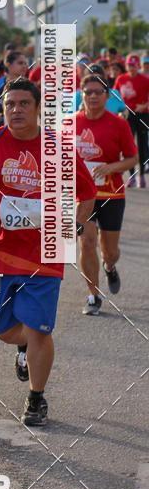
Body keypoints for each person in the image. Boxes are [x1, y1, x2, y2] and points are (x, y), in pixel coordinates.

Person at [0, 79, 96, 426]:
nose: (16, 110)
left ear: (38, 108)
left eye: (24, 104)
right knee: (4, 329)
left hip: (46, 253)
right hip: (0, 253)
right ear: (1, 108)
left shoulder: (59, 147)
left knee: (39, 329)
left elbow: (87, 192)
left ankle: (36, 398)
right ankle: (24, 347)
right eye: (10, 104)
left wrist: (75, 226)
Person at [76, 75, 137, 315]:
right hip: (82, 197)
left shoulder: (119, 124)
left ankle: (109, 267)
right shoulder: (70, 124)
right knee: (87, 242)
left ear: (107, 95)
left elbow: (133, 159)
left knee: (111, 252)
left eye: (97, 92)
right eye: (87, 91)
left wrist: (110, 168)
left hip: (112, 194)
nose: (92, 96)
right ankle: (93, 295)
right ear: (81, 95)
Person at [113, 54, 149, 188]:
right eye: (129, 66)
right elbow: (114, 96)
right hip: (128, 116)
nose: (132, 69)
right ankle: (132, 177)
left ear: (137, 66)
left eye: (134, 66)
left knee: (142, 145)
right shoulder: (121, 79)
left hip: (142, 115)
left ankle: (141, 176)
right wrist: (120, 110)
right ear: (126, 66)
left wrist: (144, 105)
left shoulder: (144, 79)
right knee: (129, 147)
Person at [0, 51, 29, 126]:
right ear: (8, 65)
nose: (24, 66)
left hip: (24, 131)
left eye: (25, 63)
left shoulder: (30, 86)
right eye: (20, 63)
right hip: (2, 130)